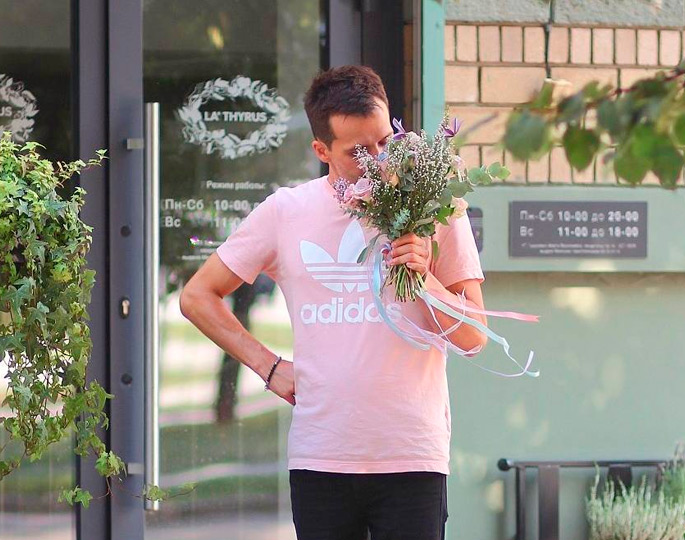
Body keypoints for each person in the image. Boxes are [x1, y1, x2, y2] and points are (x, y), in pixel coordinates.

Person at [179, 65, 488, 540]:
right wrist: (268, 366)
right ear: (321, 150)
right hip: (321, 456)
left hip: (412, 456)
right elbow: (198, 296)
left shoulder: (436, 209)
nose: (378, 160)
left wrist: (424, 278)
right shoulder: (287, 211)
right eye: (358, 151)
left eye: (385, 141)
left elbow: (474, 337)